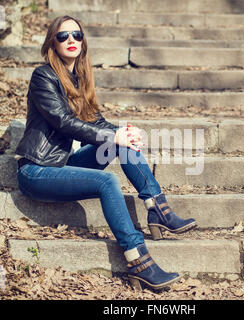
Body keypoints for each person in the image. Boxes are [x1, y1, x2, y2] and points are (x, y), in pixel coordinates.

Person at [14, 15, 196, 291]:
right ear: (53, 42)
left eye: (76, 35)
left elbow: (94, 121)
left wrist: (124, 132)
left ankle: (157, 208)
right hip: (37, 171)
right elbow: (63, 121)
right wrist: (114, 135)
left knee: (121, 141)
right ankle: (138, 261)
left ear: (83, 41)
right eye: (63, 36)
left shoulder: (79, 78)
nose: (71, 40)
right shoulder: (44, 76)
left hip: (62, 165)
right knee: (107, 180)